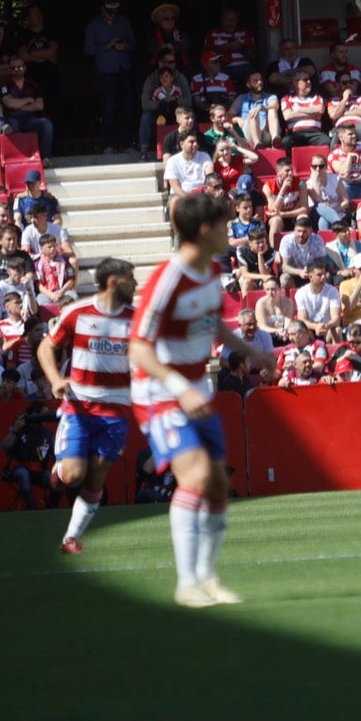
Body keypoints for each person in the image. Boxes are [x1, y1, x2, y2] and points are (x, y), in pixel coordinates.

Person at [129, 193, 274, 608]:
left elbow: (212, 326)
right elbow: (138, 348)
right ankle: (186, 583)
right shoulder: (167, 279)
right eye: (227, 226)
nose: (233, 233)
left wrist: (254, 352)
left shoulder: (212, 270)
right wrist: (179, 387)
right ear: (207, 230)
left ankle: (207, 579)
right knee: (194, 477)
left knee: (217, 485)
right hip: (161, 391)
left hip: (196, 390)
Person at [36, 257, 137, 553]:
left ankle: (70, 538)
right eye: (131, 278)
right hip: (80, 407)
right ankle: (60, 472)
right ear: (113, 282)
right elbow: (46, 347)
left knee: (98, 474)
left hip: (117, 409)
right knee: (73, 476)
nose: (136, 284)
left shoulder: (137, 318)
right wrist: (55, 379)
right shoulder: (77, 312)